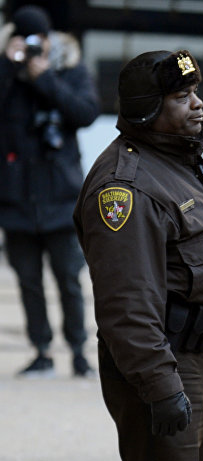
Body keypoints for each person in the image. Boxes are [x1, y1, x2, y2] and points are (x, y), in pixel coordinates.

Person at [73, 50, 203, 461]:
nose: (196, 105)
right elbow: (127, 306)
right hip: (161, 364)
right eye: (180, 97)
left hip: (194, 358)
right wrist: (160, 385)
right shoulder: (125, 187)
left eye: (195, 93)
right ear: (146, 109)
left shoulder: (176, 164)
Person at [0, 5, 98, 377]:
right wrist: (9, 68)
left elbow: (86, 112)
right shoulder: (5, 70)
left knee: (69, 279)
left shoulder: (68, 67)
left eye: (36, 40)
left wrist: (45, 80)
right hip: (15, 197)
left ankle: (78, 350)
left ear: (48, 38)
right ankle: (41, 350)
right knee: (28, 282)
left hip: (61, 195)